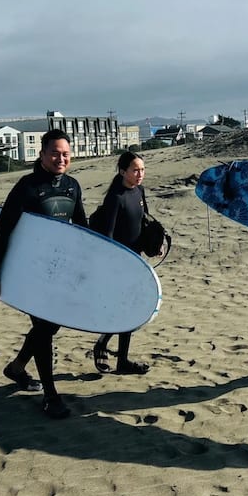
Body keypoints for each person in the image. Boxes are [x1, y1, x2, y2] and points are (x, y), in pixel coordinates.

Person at [0, 130, 87, 419]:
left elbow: (82, 229)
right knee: (44, 330)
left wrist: (87, 268)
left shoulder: (72, 186)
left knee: (50, 327)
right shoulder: (27, 187)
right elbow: (3, 231)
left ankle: (17, 367)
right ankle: (51, 396)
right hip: (31, 272)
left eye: (65, 153)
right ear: (42, 154)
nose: (61, 158)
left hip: (60, 270)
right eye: (55, 153)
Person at [91, 152, 155, 376]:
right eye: (135, 170)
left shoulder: (139, 190)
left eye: (142, 170)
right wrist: (113, 265)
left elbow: (144, 220)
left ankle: (114, 353)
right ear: (122, 171)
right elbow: (108, 235)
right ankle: (114, 354)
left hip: (136, 259)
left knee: (129, 310)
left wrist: (154, 243)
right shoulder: (115, 197)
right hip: (119, 262)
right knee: (124, 310)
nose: (140, 174)